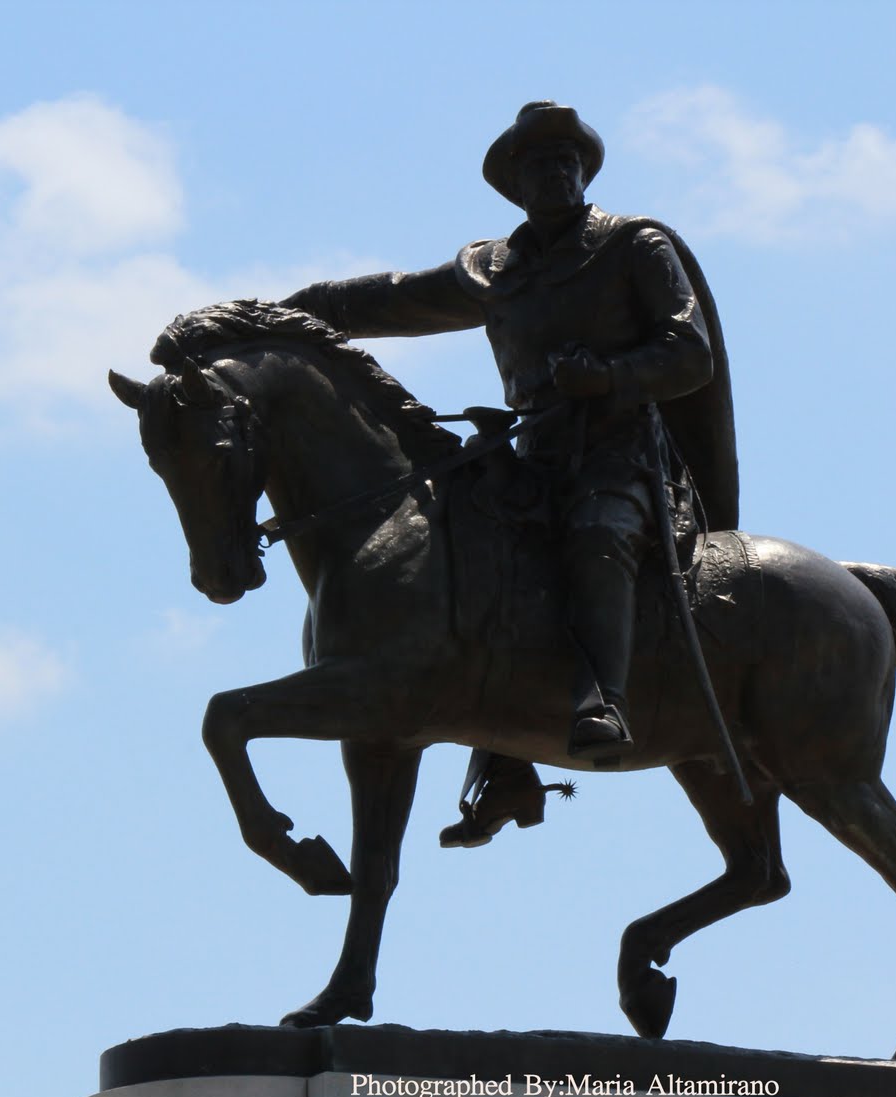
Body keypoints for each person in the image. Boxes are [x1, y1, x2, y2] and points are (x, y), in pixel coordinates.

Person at [283, 101, 736, 846]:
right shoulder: (498, 269)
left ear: (584, 173)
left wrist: (611, 376)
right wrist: (288, 316)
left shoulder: (633, 246)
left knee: (597, 533)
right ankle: (504, 768)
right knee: (461, 570)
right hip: (534, 457)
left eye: (568, 160)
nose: (557, 172)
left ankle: (606, 699)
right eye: (539, 164)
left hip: (625, 456)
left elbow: (691, 354)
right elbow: (396, 298)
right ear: (515, 186)